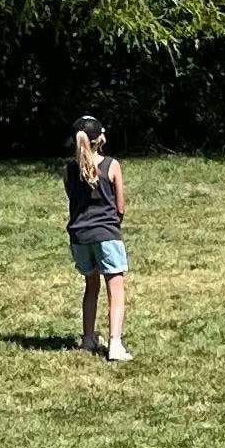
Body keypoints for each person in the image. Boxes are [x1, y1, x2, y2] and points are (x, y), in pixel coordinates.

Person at [64, 116, 132, 362]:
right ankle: (115, 344)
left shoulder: (69, 169)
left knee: (91, 286)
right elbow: (120, 207)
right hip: (106, 234)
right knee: (115, 289)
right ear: (100, 138)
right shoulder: (111, 165)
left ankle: (88, 337)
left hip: (80, 236)